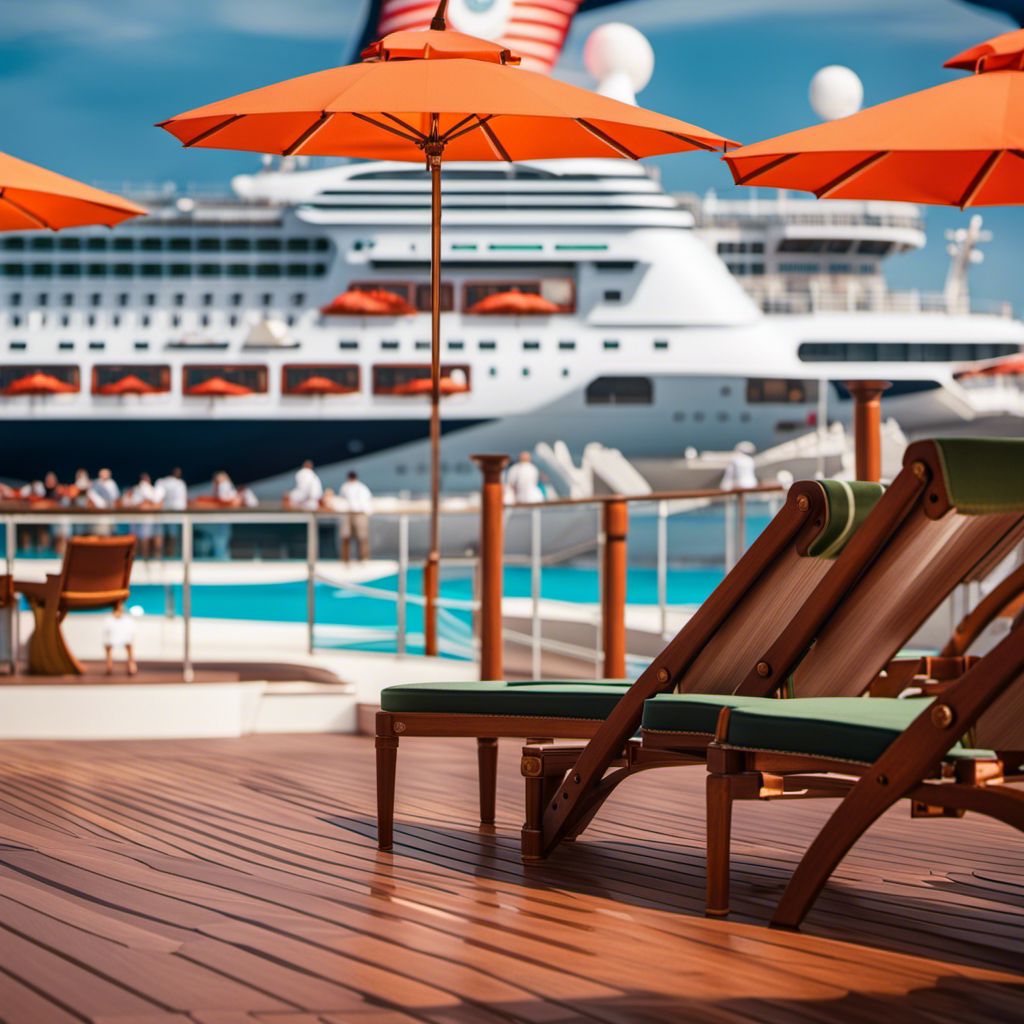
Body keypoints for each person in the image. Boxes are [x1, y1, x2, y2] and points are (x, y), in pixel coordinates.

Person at [123, 473, 164, 559]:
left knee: (149, 540)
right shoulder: (135, 490)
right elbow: (128, 504)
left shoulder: (153, 490)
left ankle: (149, 559)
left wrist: (147, 505)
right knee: (138, 541)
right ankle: (138, 559)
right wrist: (142, 505)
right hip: (137, 520)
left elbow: (157, 505)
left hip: (150, 520)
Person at [337, 471, 373, 563]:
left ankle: (361, 558)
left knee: (361, 537)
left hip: (358, 513)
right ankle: (348, 559)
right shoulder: (356, 487)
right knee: (349, 536)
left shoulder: (352, 487)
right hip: (351, 513)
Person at [155, 467, 187, 558]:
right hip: (174, 516)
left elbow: (157, 498)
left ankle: (165, 557)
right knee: (171, 538)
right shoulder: (179, 483)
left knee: (168, 538)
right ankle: (169, 557)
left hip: (168, 515)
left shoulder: (163, 482)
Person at [102, 600, 137, 676]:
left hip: (123, 638)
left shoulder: (126, 620)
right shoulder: (110, 620)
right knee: (109, 647)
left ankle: (130, 666)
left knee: (129, 646)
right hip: (113, 639)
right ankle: (110, 667)